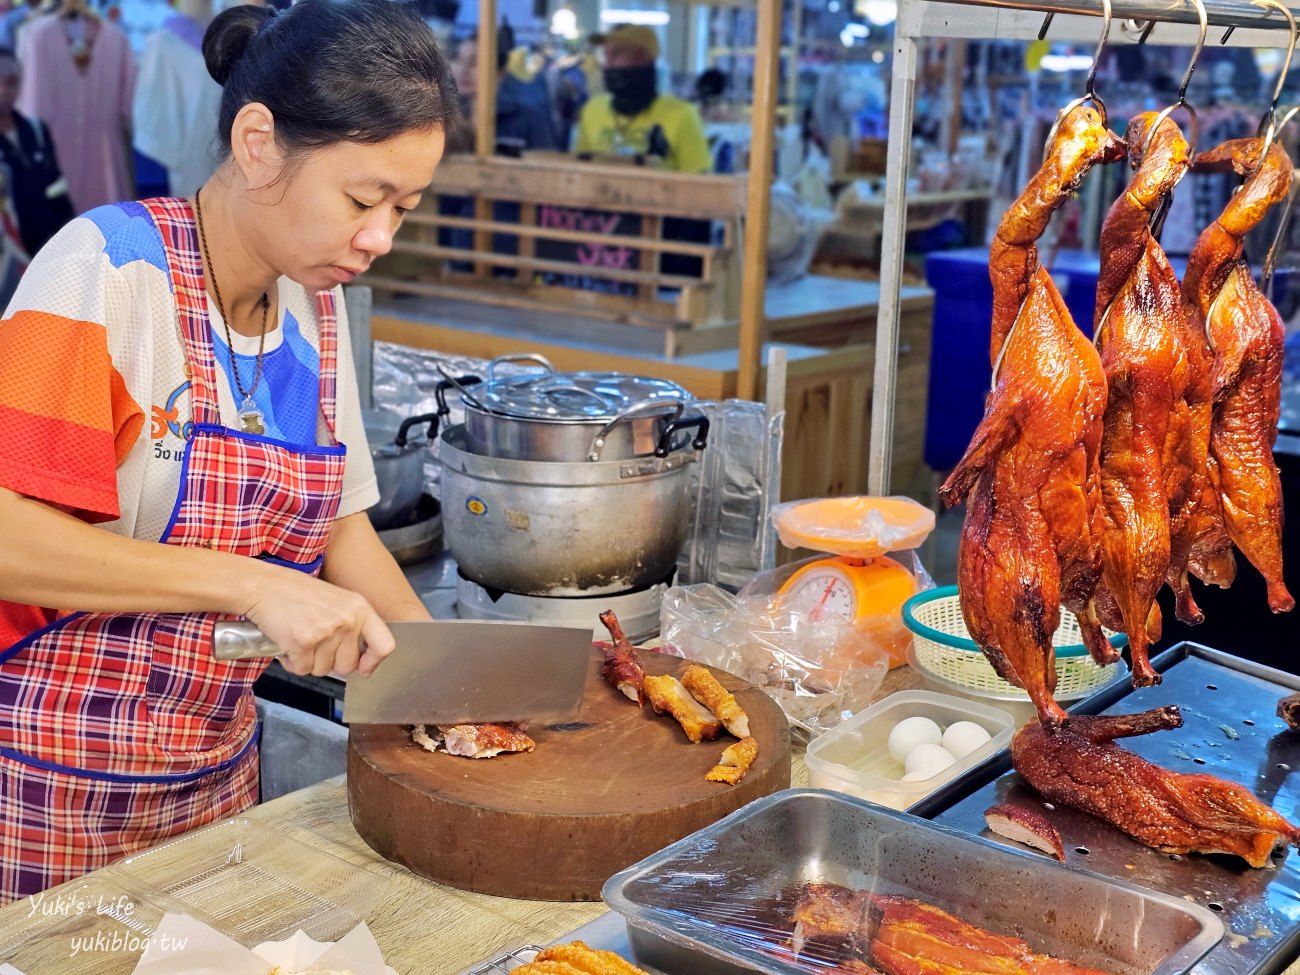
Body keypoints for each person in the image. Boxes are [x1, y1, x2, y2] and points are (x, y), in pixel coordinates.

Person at [0, 0, 458, 905]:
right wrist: (251, 582)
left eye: (403, 208)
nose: (381, 239)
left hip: (215, 785)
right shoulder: (105, 271)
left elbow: (345, 534)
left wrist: (452, 686)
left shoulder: (314, 313)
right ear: (258, 143)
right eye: (363, 200)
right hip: (45, 786)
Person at [573, 24, 710, 173]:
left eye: (617, 54)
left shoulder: (682, 114)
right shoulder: (593, 110)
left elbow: (698, 180)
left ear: (644, 58)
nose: (608, 63)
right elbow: (580, 170)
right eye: (606, 55)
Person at [0, 45, 73, 259]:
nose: (4, 89)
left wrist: (69, 235)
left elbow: (57, 189)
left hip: (44, 252)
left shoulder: (36, 130)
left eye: (11, 81)